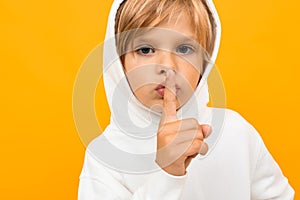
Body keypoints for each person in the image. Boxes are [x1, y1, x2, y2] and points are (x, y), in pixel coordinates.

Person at [78, 0, 295, 199]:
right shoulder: (104, 158)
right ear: (119, 63)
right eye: (145, 49)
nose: (168, 66)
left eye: (184, 49)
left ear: (204, 63)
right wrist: (167, 173)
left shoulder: (237, 131)